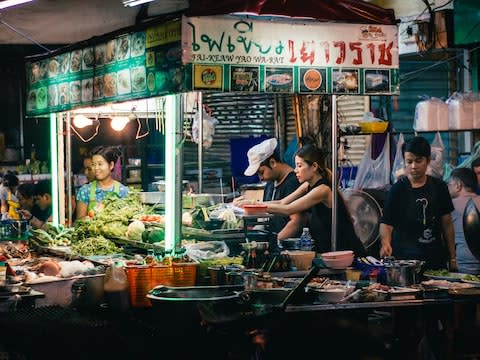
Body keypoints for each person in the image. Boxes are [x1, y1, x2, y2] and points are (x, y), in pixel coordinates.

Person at [258, 143, 366, 257]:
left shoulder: (323, 190)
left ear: (314, 166)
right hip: (327, 252)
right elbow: (283, 202)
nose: (295, 171)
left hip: (346, 253)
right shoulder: (307, 185)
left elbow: (287, 209)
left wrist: (256, 206)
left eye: (299, 166)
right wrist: (254, 204)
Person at [380, 136, 456, 271]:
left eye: (418, 161)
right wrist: (385, 243)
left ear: (427, 161)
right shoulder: (397, 189)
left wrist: (452, 257)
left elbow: (447, 224)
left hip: (435, 260)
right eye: (409, 162)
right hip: (405, 262)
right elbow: (387, 223)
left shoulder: (439, 187)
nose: (413, 166)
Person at [236, 138, 305, 242]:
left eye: (261, 172)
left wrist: (275, 241)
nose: (261, 178)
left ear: (272, 162)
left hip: (288, 245)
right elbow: (265, 215)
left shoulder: (293, 183)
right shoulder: (270, 185)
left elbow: (296, 221)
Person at [76, 146, 128, 220]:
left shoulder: (123, 191)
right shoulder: (85, 191)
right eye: (93, 164)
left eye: (100, 164)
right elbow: (79, 221)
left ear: (111, 165)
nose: (96, 168)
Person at [448, 167, 480, 274]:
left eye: (449, 184)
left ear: (458, 185)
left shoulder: (451, 206)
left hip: (462, 268)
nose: (448, 187)